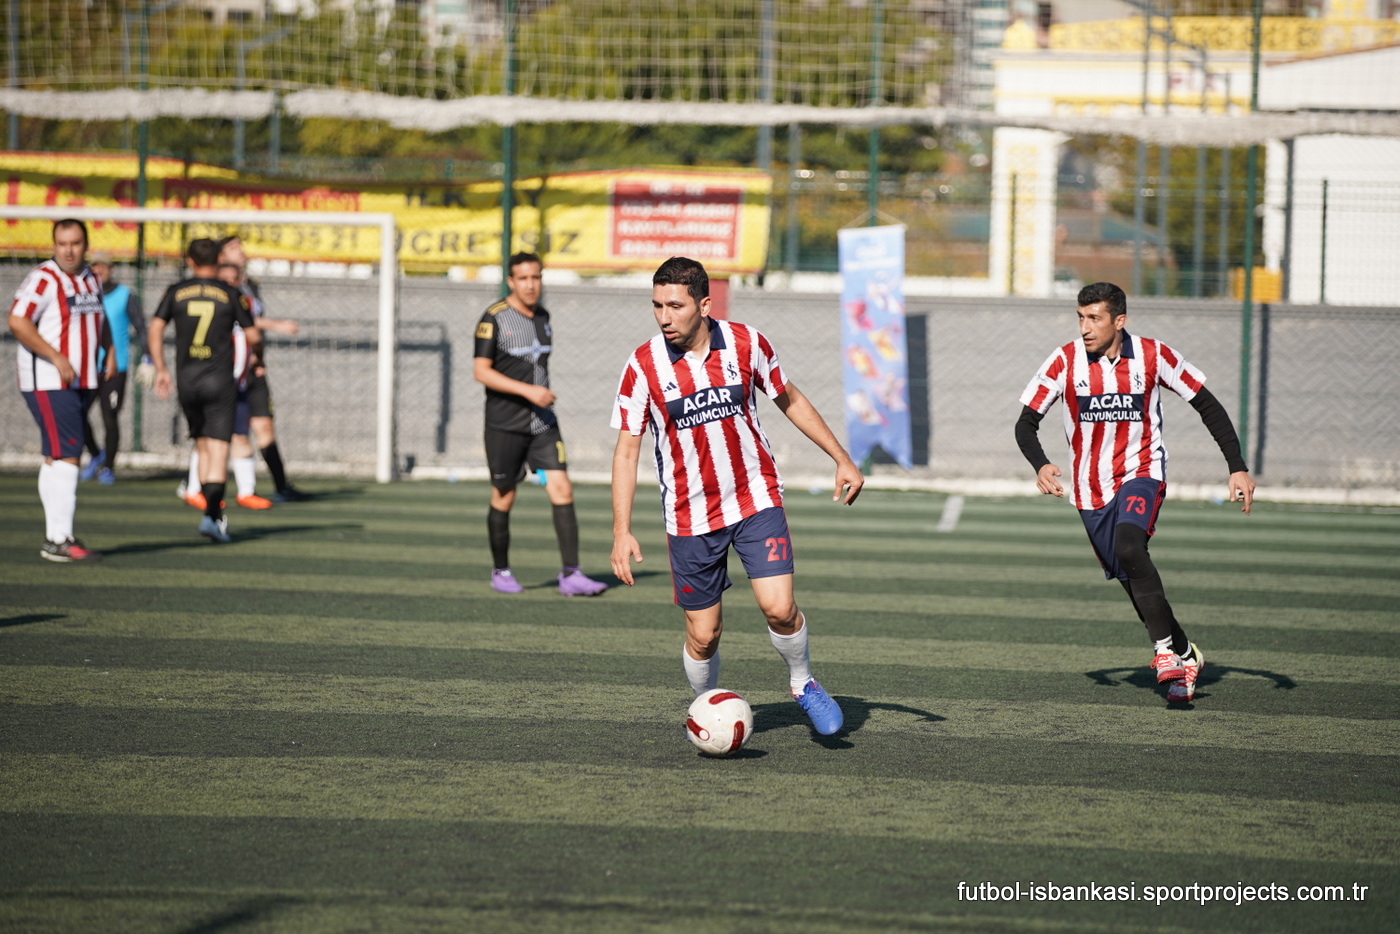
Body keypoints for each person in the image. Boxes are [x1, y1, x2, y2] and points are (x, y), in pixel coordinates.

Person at [609, 256, 863, 736]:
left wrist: (841, 457)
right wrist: (621, 531)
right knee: (704, 636)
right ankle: (706, 706)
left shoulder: (747, 343)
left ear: (704, 305)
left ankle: (803, 683)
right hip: (690, 515)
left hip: (754, 497)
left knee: (780, 608)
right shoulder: (642, 365)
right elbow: (626, 452)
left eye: (675, 306)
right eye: (657, 305)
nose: (664, 317)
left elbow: (789, 398)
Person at [1015, 281, 1255, 703]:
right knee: (1131, 577)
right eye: (1080, 318)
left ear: (1119, 320)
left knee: (1130, 546)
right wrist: (1041, 464)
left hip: (1142, 472)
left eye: (1095, 318)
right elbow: (1025, 424)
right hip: (1090, 489)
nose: (1085, 327)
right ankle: (1184, 653)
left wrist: (1236, 466)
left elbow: (1207, 404)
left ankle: (1163, 652)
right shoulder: (1064, 360)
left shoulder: (1153, 355)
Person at [473, 251, 608, 596]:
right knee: (504, 495)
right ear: (511, 281)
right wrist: (529, 391)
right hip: (505, 424)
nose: (531, 285)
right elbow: (481, 372)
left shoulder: (543, 316)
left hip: (543, 423)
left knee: (562, 488)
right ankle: (501, 571)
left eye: (536, 277)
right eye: (523, 278)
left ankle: (571, 574)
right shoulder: (493, 318)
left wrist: (539, 396)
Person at [8, 219, 114, 562]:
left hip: (82, 379)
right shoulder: (44, 278)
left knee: (55, 455)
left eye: (75, 243)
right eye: (62, 243)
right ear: (54, 245)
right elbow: (17, 320)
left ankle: (55, 536)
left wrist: (110, 350)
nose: (68, 251)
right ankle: (60, 539)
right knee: (69, 452)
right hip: (50, 380)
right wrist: (55, 356)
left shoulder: (91, 277)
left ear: (86, 245)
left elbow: (98, 317)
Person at [148, 238, 260, 544]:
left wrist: (161, 368)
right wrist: (259, 358)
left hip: (187, 381)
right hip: (219, 381)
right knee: (219, 449)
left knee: (203, 446)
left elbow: (155, 328)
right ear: (219, 259)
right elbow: (253, 335)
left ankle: (204, 504)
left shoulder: (176, 291)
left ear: (190, 260)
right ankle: (212, 517)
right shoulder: (230, 292)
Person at [216, 235, 307, 502]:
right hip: (228, 370)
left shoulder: (249, 285)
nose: (241, 251)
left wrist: (257, 356)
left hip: (253, 367)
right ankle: (198, 484)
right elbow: (241, 319)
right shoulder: (218, 286)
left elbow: (250, 320)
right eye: (233, 248)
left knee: (264, 425)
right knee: (226, 433)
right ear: (221, 256)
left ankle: (280, 487)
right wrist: (277, 325)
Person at [78, 252, 150, 485]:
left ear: (111, 269)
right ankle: (95, 453)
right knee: (77, 413)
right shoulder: (84, 295)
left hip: (115, 368)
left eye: (104, 266)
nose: (99, 271)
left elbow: (140, 326)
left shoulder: (124, 295)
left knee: (109, 417)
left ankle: (108, 467)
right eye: (95, 266)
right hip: (87, 366)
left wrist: (147, 357)